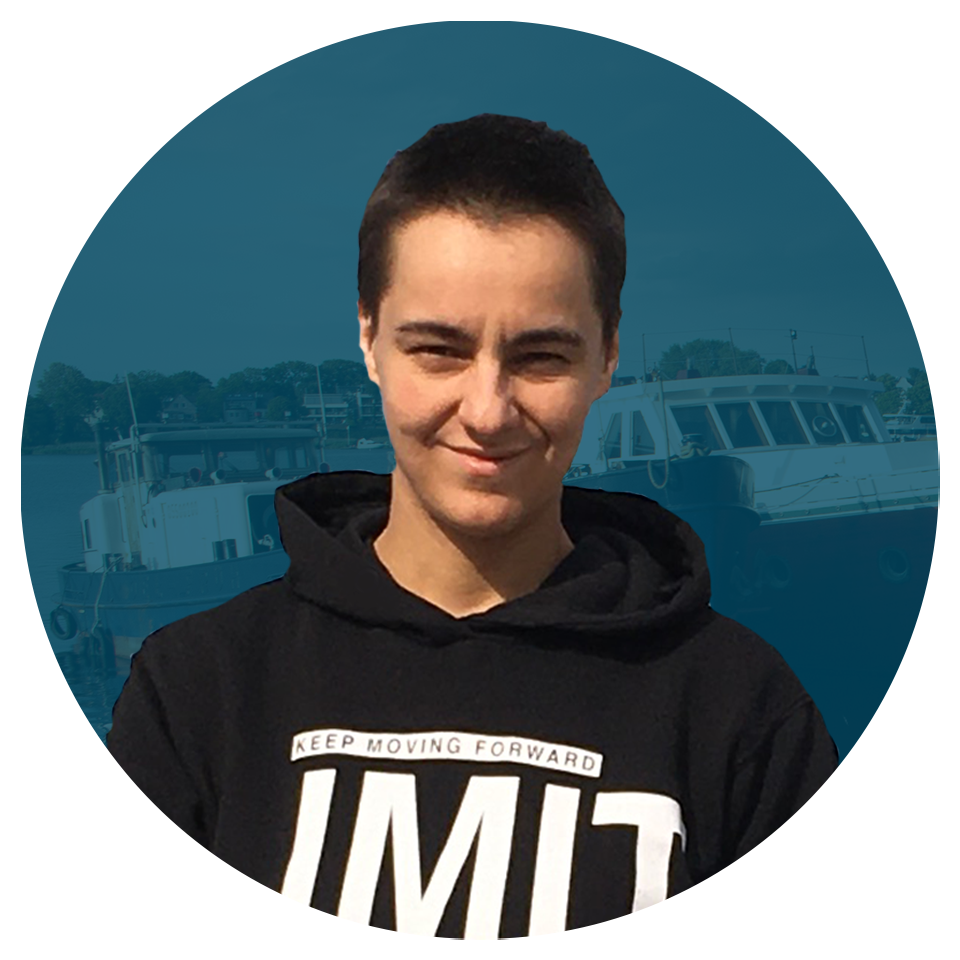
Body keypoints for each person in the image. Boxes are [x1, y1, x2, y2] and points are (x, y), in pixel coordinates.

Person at [44, 114, 882, 940]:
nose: (487, 411)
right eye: (438, 350)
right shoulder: (202, 685)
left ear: (607, 356)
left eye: (541, 356)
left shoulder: (739, 706)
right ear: (369, 338)